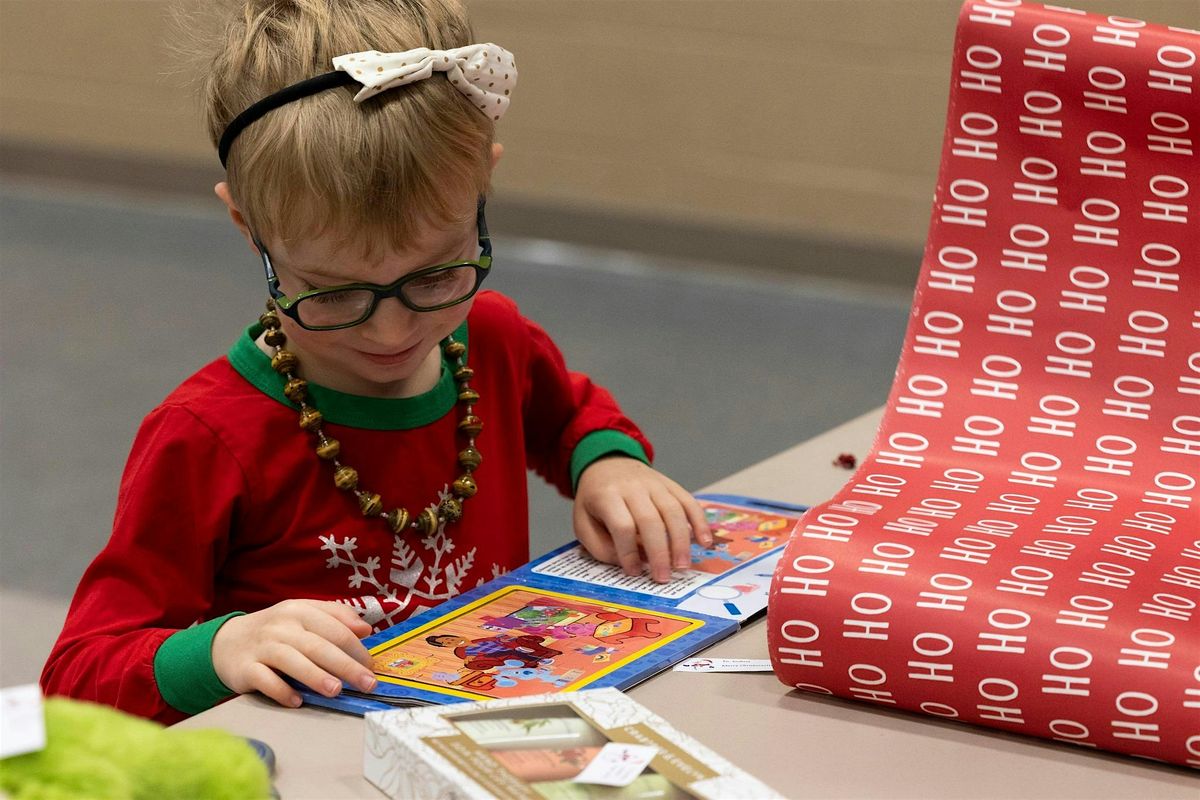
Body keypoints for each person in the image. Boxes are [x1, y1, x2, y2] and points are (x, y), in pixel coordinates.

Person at [41, 0, 711, 724]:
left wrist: (609, 463)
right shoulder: (205, 435)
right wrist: (220, 649)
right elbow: (76, 676)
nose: (393, 331)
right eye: (331, 292)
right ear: (249, 227)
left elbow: (570, 414)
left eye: (435, 276)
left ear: (482, 186)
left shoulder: (488, 337)